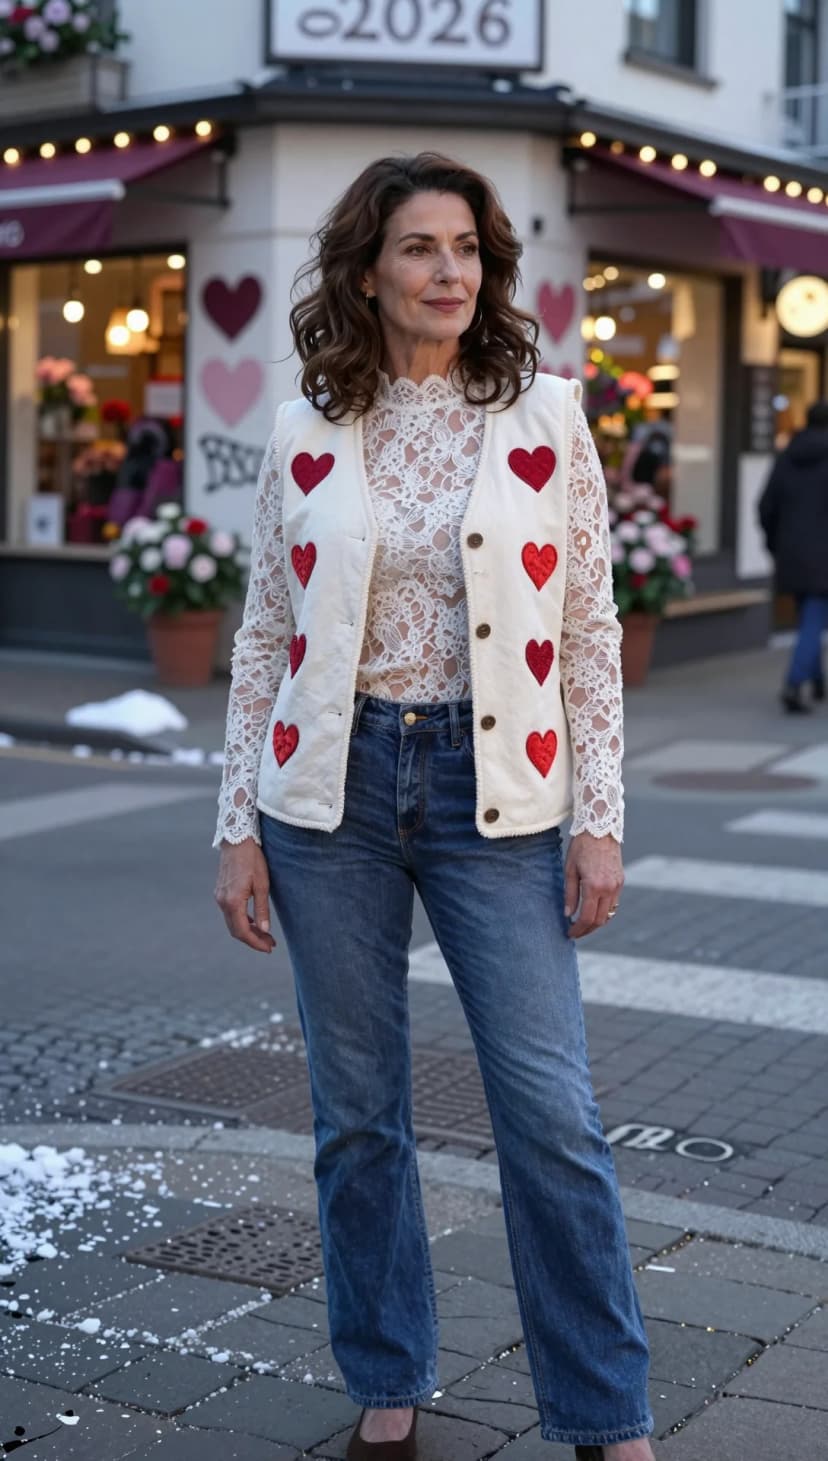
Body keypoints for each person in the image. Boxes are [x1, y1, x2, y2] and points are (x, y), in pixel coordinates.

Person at [214, 153, 654, 1461]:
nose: (449, 270)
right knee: (358, 1115)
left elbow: (587, 623)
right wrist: (236, 823)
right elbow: (263, 635)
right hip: (326, 798)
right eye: (419, 248)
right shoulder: (304, 425)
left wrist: (601, 814)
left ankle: (605, 1411)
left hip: (498, 799)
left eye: (467, 248)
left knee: (554, 1120)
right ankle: (389, 1374)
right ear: (368, 269)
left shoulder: (544, 415)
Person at [759, 400, 828, 713]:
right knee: (813, 618)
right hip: (822, 555)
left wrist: (776, 544)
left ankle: (816, 679)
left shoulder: (787, 457)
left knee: (808, 616)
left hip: (790, 552)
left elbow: (766, 506)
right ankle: (796, 681)